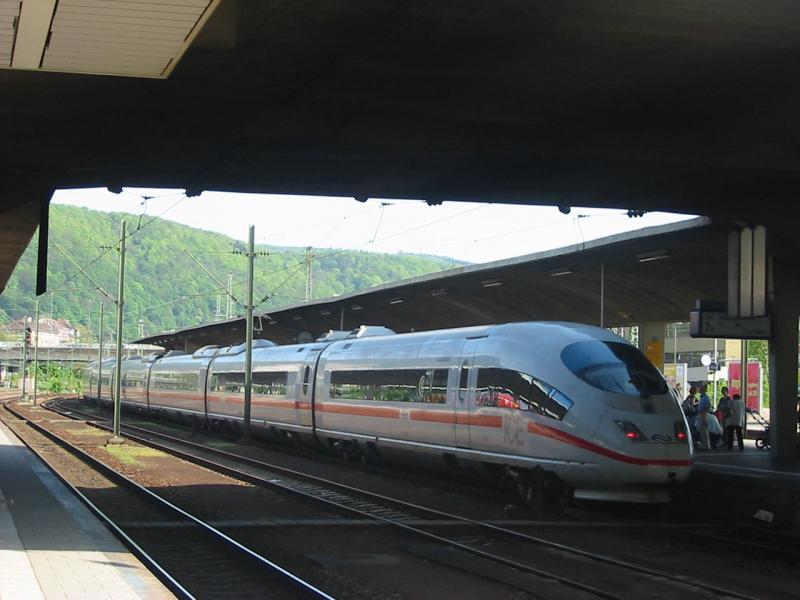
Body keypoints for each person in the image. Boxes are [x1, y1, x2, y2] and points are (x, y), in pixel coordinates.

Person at [695, 384, 711, 450]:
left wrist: (704, 413)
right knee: (702, 430)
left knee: (704, 430)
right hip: (701, 414)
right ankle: (705, 444)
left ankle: (706, 445)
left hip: (703, 414)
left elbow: (708, 406)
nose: (700, 390)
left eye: (701, 389)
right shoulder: (702, 397)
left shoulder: (705, 397)